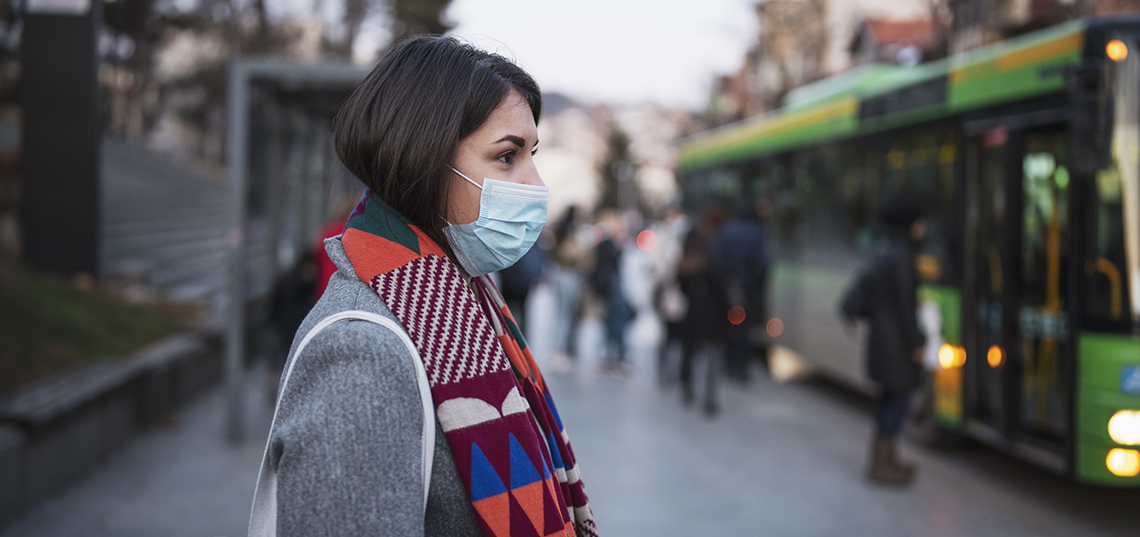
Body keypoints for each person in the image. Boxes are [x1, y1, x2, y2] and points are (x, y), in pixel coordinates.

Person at [249, 36, 598, 536]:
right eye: (507, 156)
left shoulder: (464, 300)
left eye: (532, 155)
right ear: (426, 159)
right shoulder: (360, 354)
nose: (536, 184)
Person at [842, 196, 927, 485]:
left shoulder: (884, 250)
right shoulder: (901, 256)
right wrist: (915, 344)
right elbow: (905, 307)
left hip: (882, 340)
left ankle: (885, 460)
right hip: (896, 345)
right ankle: (883, 463)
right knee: (900, 401)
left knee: (889, 399)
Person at [711, 198, 770, 381]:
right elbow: (763, 263)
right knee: (745, 330)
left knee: (729, 328)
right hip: (748, 290)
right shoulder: (755, 232)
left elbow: (715, 259)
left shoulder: (725, 231)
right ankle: (742, 368)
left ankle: (729, 365)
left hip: (727, 289)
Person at [676, 224, 730, 416]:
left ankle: (688, 388)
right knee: (713, 357)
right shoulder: (710, 262)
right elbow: (722, 289)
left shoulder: (684, 264)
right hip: (713, 316)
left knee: (690, 352)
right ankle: (710, 398)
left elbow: (682, 288)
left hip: (692, 315)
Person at [588, 210, 632, 373]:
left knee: (611, 321)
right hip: (610, 287)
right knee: (614, 321)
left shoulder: (605, 242)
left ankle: (610, 355)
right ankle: (615, 356)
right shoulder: (607, 243)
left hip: (609, 287)